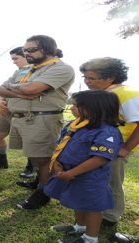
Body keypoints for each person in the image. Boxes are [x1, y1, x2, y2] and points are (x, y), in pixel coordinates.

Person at [0, 35, 75, 209]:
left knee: (44, 158)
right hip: (22, 118)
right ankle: (40, 181)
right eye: (25, 50)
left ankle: (44, 193)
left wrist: (20, 89)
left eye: (31, 49)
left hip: (43, 118)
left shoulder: (61, 68)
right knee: (35, 156)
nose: (27, 53)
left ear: (47, 49)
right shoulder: (28, 69)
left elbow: (31, 88)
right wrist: (19, 92)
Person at [45, 90, 124, 243]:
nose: (71, 108)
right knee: (78, 200)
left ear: (96, 108)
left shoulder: (108, 131)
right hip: (68, 171)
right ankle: (80, 227)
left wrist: (70, 173)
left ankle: (90, 238)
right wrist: (58, 165)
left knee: (92, 206)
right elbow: (61, 145)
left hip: (90, 176)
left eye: (76, 106)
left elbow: (99, 159)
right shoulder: (74, 125)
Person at [80, 57, 139, 226]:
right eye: (85, 78)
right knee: (96, 181)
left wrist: (126, 149)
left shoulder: (127, 95)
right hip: (97, 147)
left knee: (111, 183)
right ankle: (95, 212)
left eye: (92, 78)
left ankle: (110, 217)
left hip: (114, 149)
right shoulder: (104, 95)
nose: (87, 82)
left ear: (111, 78)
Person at [0, 46, 35, 178]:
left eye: (16, 58)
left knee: (30, 141)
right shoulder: (18, 71)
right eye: (12, 59)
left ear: (27, 56)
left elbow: (28, 90)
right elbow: (1, 88)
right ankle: (0, 161)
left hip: (24, 113)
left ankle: (31, 167)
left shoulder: (37, 71)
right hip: (6, 111)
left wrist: (9, 92)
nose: (14, 61)